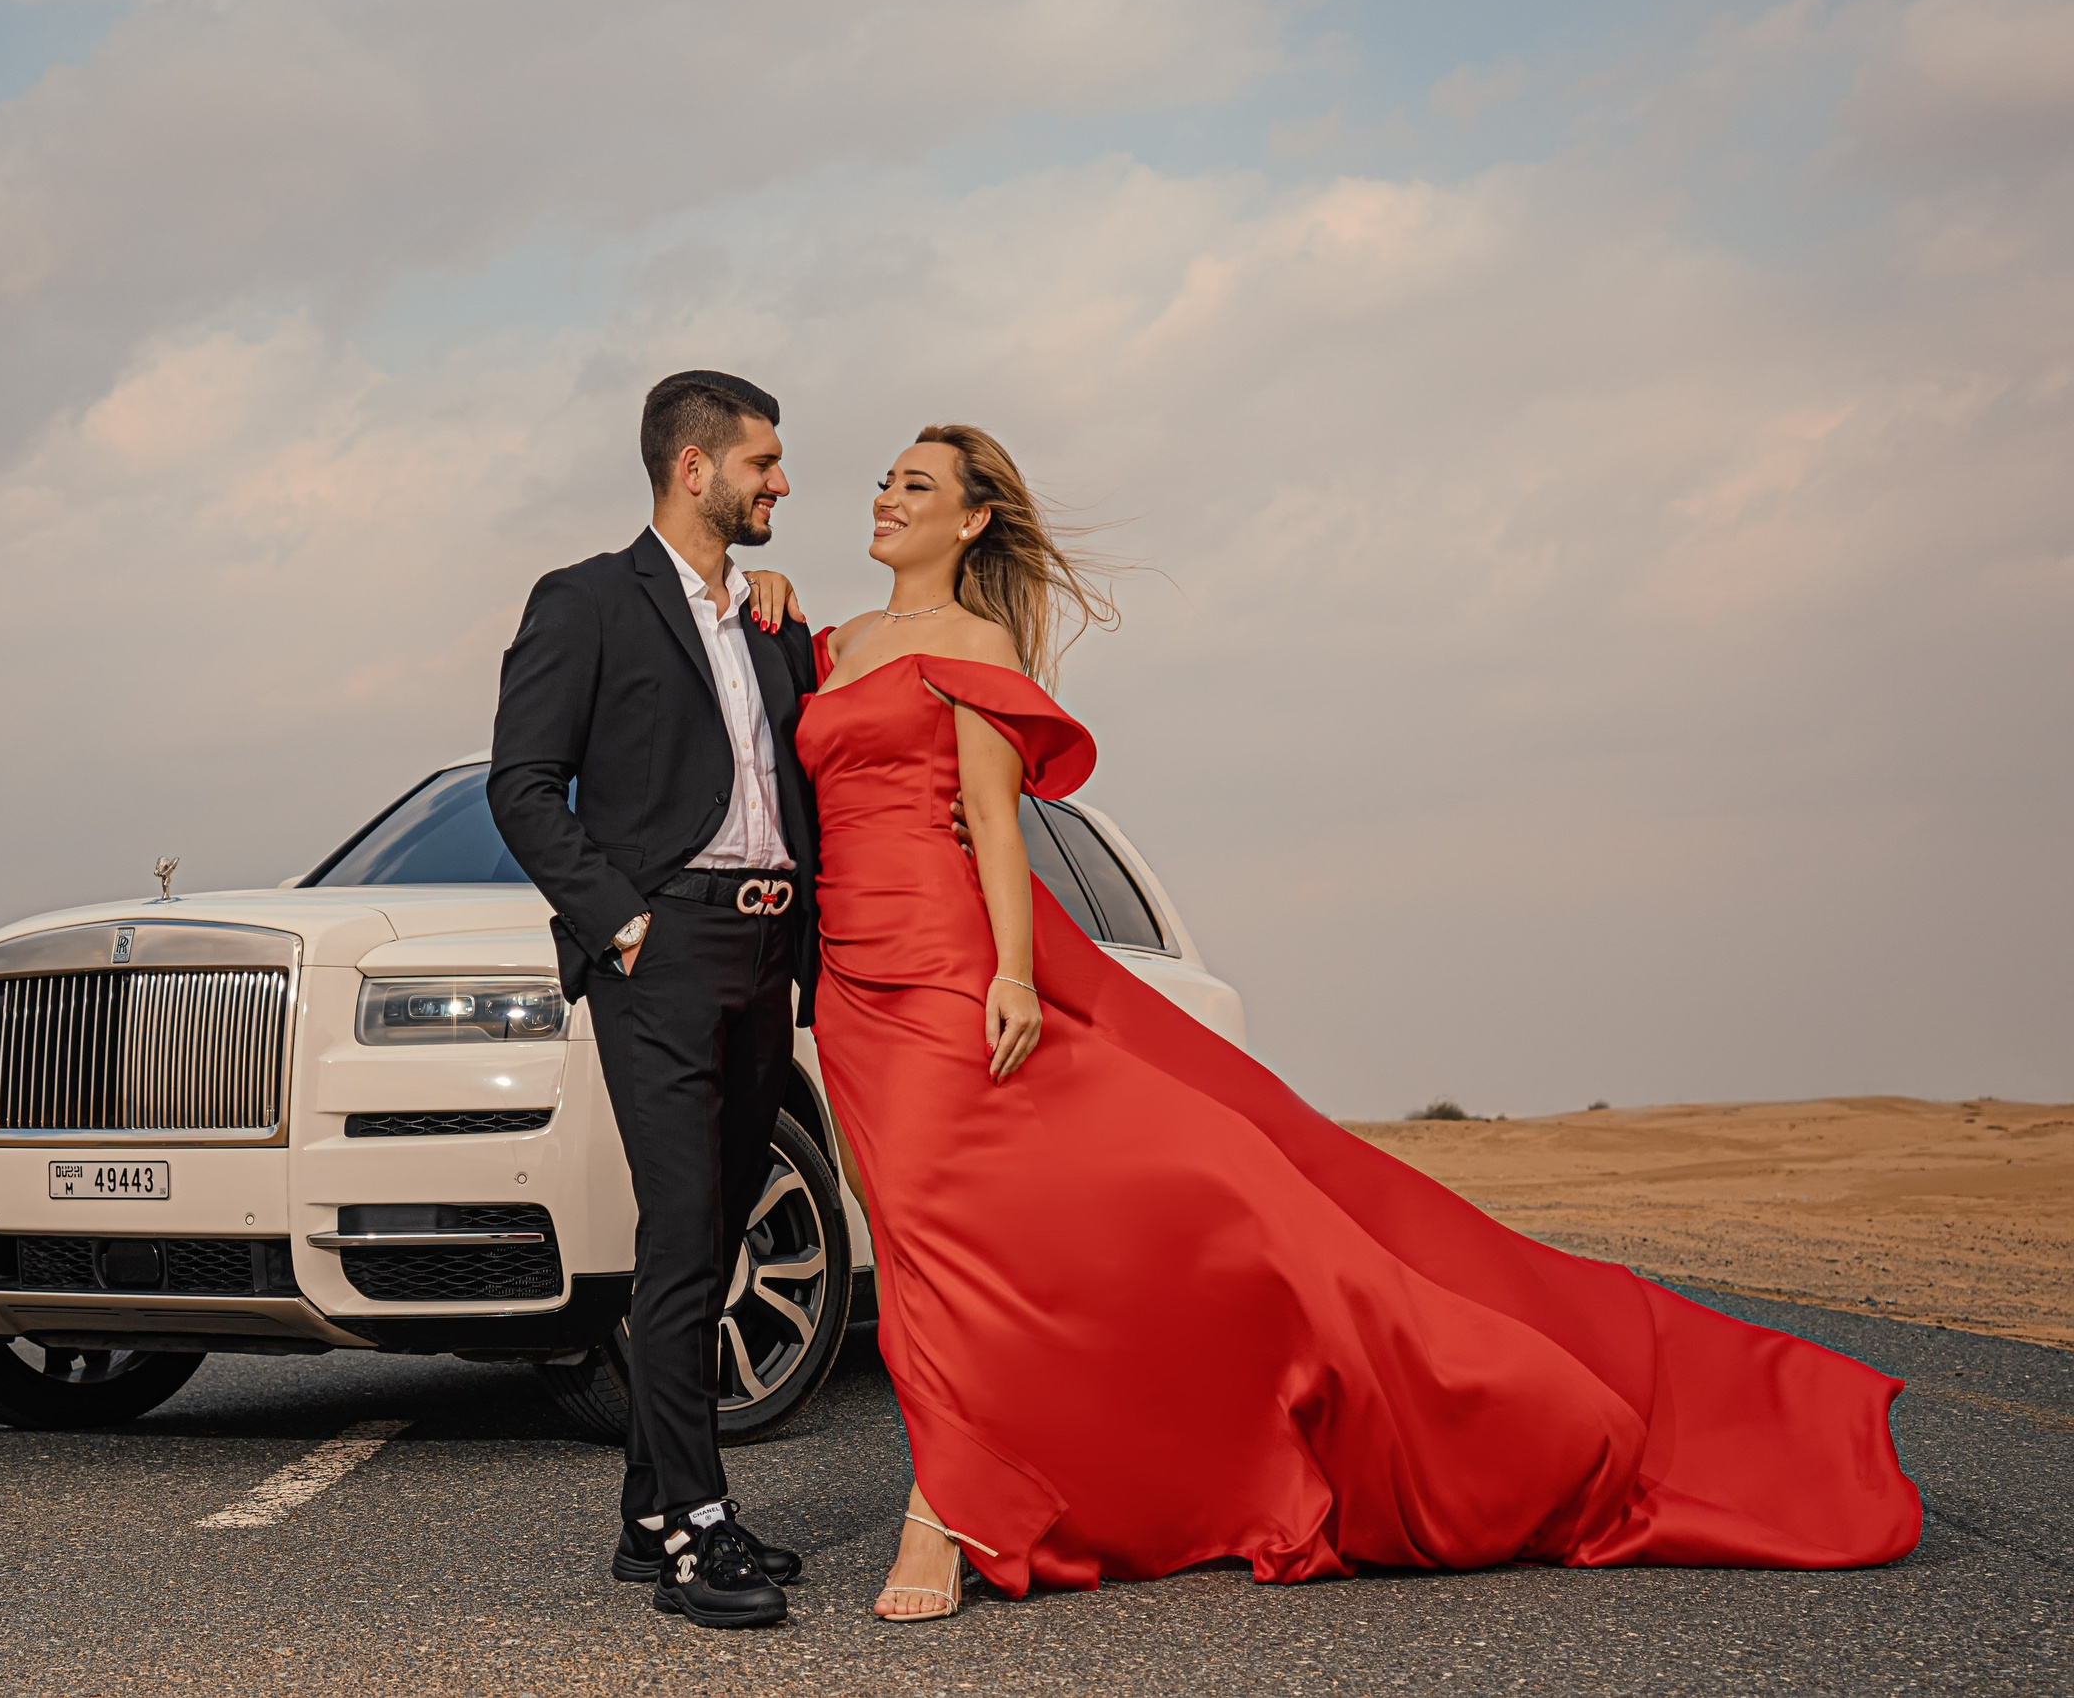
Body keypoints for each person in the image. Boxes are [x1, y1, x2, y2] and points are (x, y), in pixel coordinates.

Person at [793, 424, 1923, 1622]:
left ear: (970, 520)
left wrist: (1012, 972)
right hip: (848, 985)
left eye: (914, 485)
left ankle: (946, 1514)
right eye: (882, 480)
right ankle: (1037, 1467)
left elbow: (992, 818)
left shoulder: (973, 644)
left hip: (942, 964)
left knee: (971, 1243)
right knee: (913, 1236)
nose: (884, 498)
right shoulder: (836, 645)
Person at [488, 370, 821, 1630]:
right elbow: (523, 784)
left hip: (764, 951)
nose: (781, 483)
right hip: (662, 950)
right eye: (765, 462)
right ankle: (696, 1525)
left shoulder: (770, 620)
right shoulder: (585, 601)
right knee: (681, 1228)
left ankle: (646, 1511)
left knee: (720, 1225)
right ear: (695, 468)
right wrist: (622, 923)